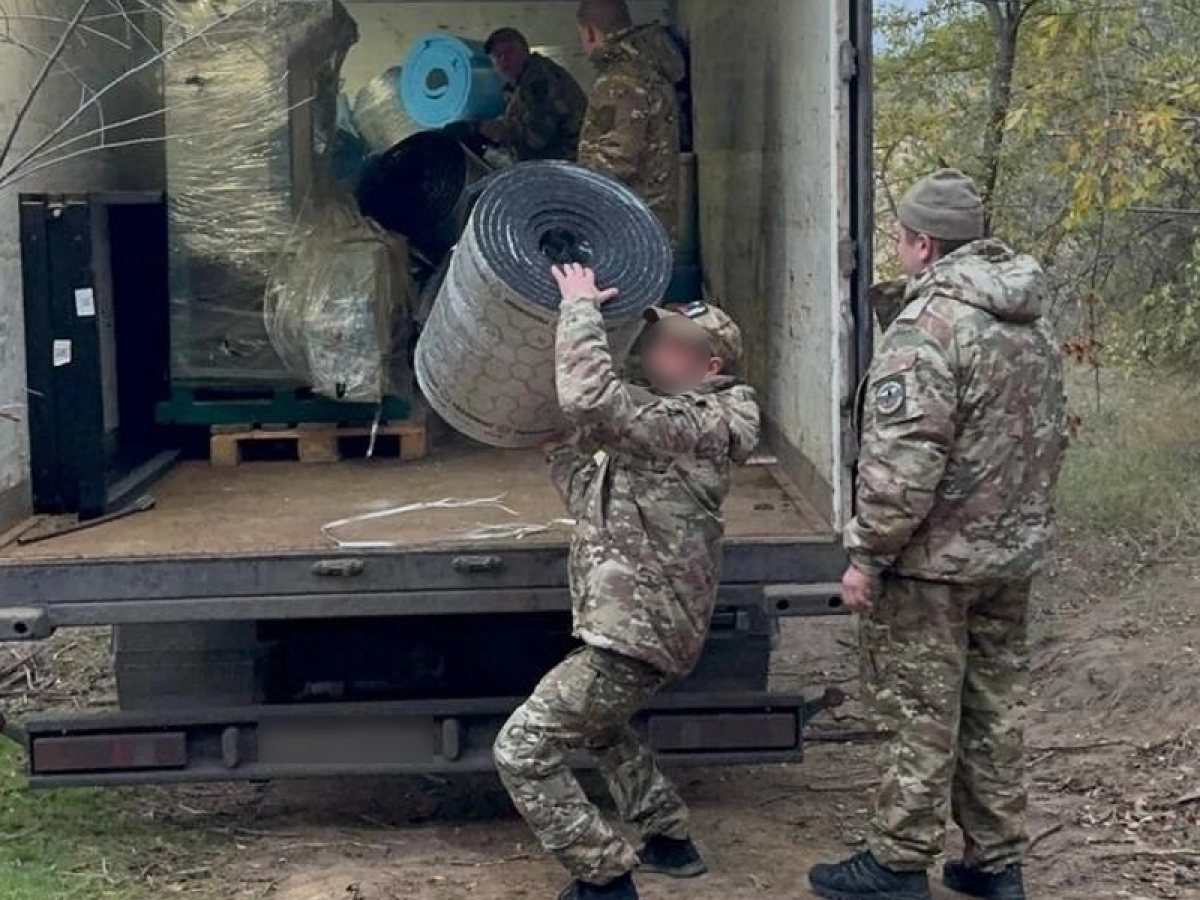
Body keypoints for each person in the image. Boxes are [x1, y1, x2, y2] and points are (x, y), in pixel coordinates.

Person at [809, 169, 1068, 900]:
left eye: (899, 237)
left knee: (919, 711)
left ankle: (897, 861)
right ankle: (994, 863)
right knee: (994, 708)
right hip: (1009, 555)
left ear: (923, 244)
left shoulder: (928, 332)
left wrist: (867, 555)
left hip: (933, 563)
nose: (896, 248)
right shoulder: (1028, 324)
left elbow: (902, 466)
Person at [493, 265, 760, 900]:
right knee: (599, 726)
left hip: (639, 632)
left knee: (522, 749)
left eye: (670, 343)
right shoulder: (663, 426)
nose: (652, 351)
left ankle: (605, 877)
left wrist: (578, 306)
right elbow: (600, 498)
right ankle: (668, 837)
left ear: (710, 364)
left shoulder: (699, 421)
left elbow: (590, 399)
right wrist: (563, 453)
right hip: (626, 624)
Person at [575, 0, 685, 243]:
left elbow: (614, 160)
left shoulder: (619, 79)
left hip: (628, 228)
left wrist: (575, 203)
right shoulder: (650, 67)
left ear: (590, 32)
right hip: (655, 219)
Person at [477, 28, 588, 162]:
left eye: (509, 52)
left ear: (525, 51)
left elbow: (536, 138)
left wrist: (493, 130)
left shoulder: (540, 81)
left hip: (566, 166)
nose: (504, 59)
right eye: (497, 55)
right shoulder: (523, 81)